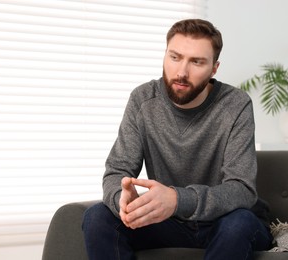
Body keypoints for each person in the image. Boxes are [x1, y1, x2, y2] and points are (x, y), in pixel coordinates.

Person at [82, 18, 273, 260]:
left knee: (237, 224)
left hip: (225, 221)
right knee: (97, 216)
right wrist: (122, 200)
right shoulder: (143, 100)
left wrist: (177, 199)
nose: (182, 72)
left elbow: (242, 190)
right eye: (175, 57)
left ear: (214, 68)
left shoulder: (236, 104)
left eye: (196, 62)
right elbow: (117, 170)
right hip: (168, 223)